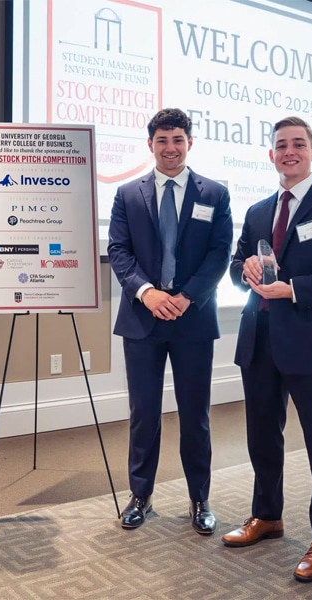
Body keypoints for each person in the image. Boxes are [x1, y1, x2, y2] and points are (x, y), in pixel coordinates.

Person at [222, 116, 312, 582]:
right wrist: (242, 267)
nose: (289, 152)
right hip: (259, 339)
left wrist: (294, 288)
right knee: (262, 437)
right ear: (271, 155)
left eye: (298, 144)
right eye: (281, 145)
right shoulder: (259, 209)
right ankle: (267, 516)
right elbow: (234, 265)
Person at [107, 108, 233, 535]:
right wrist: (148, 292)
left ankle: (200, 499)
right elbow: (119, 251)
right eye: (162, 140)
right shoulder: (127, 194)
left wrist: (185, 297)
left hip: (192, 320)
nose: (171, 148)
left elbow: (220, 253)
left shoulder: (215, 193)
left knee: (195, 413)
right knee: (144, 413)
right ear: (151, 145)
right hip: (143, 319)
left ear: (190, 143)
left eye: (178, 139)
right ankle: (140, 494)